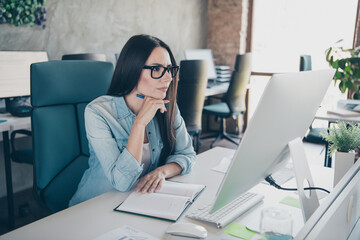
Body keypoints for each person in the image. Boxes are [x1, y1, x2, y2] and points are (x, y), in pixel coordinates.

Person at [69, 34, 196, 206]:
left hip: (136, 201)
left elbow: (187, 154)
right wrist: (140, 123)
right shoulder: (98, 112)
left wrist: (161, 172)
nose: (168, 78)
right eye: (156, 69)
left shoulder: (167, 107)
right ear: (133, 70)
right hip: (95, 205)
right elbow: (121, 183)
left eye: (169, 69)